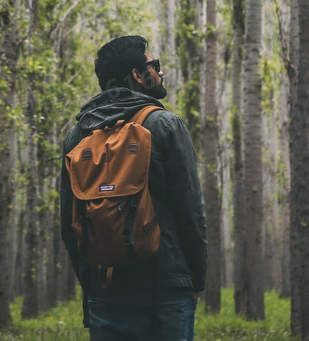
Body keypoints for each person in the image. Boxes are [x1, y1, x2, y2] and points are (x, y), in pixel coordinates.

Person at [60, 35, 208, 341]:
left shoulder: (77, 137)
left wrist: (90, 284)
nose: (160, 72)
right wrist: (194, 278)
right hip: (165, 287)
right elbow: (191, 211)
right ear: (138, 76)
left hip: (105, 287)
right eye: (154, 65)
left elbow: (69, 224)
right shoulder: (166, 125)